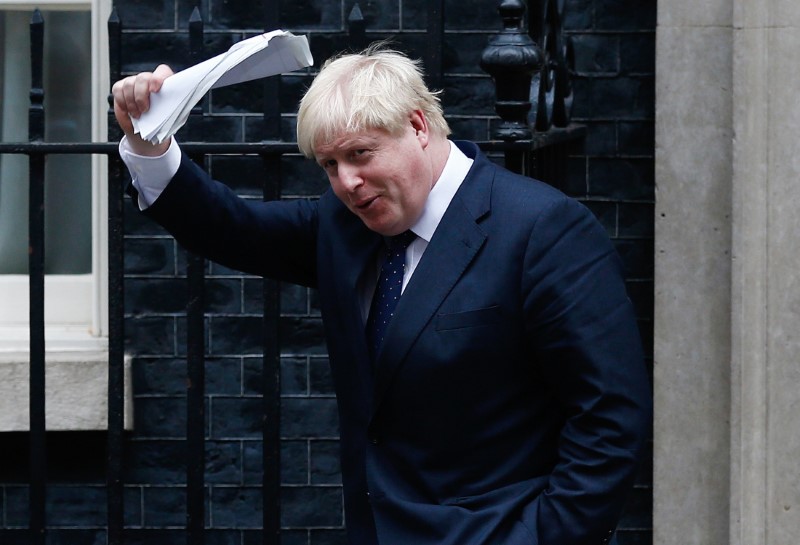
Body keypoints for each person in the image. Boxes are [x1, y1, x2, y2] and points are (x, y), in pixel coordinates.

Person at [112, 44, 651, 545]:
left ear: (418, 126)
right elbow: (232, 228)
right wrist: (149, 141)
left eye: (361, 154)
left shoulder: (542, 229)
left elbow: (610, 416)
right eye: (330, 166)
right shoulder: (346, 226)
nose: (347, 182)